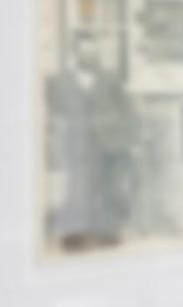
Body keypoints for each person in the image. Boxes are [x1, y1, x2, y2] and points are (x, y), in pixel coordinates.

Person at [46, 30, 138, 251]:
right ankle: (74, 236)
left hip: (106, 143)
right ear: (75, 53)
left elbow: (127, 110)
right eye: (85, 52)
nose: (90, 57)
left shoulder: (110, 79)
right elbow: (53, 114)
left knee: (106, 188)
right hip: (76, 143)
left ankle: (107, 233)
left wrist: (125, 136)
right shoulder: (60, 81)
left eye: (94, 52)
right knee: (77, 188)